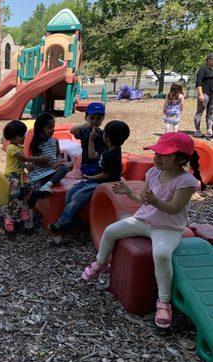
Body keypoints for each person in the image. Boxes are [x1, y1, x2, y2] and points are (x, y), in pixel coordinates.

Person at [82, 133, 204, 328]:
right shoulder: (154, 172)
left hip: (168, 227)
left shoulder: (186, 182)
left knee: (162, 254)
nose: (156, 157)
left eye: (163, 155)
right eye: (156, 153)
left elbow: (174, 207)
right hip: (145, 220)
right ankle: (101, 262)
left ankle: (163, 301)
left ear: (180, 159)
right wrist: (129, 193)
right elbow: (142, 199)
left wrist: (156, 201)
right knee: (111, 230)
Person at [49, 120, 130, 235]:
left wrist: (89, 177)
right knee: (71, 192)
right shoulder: (107, 149)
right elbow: (92, 155)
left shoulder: (112, 155)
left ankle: (62, 222)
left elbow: (105, 175)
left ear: (107, 138)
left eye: (104, 132)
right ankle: (72, 221)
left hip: (104, 183)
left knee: (78, 196)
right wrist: (91, 140)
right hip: (96, 180)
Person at [2, 120, 45, 233]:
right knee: (14, 193)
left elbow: (21, 161)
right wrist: (41, 158)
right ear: (13, 137)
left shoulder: (18, 147)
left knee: (31, 185)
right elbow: (25, 158)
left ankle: (24, 208)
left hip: (21, 174)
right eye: (21, 135)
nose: (24, 138)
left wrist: (27, 167)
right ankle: (9, 217)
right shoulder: (11, 147)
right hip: (12, 175)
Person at [26, 112, 69, 203]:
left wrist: (57, 162)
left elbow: (58, 154)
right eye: (49, 128)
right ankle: (29, 208)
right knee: (34, 190)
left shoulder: (54, 141)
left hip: (53, 172)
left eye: (53, 127)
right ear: (41, 129)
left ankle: (48, 185)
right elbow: (37, 161)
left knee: (65, 168)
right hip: (41, 172)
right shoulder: (36, 143)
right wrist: (51, 165)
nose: (52, 130)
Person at [71, 102, 107, 176]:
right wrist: (82, 126)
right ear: (86, 118)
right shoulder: (84, 131)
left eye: (98, 118)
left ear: (103, 119)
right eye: (92, 118)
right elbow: (72, 131)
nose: (95, 121)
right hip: (87, 165)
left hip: (99, 163)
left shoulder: (102, 134)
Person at [194, 52, 213, 138]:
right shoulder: (202, 69)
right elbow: (199, 83)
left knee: (211, 113)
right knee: (199, 112)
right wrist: (200, 94)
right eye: (212, 59)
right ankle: (197, 130)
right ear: (208, 60)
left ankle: (209, 130)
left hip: (212, 95)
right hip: (204, 94)